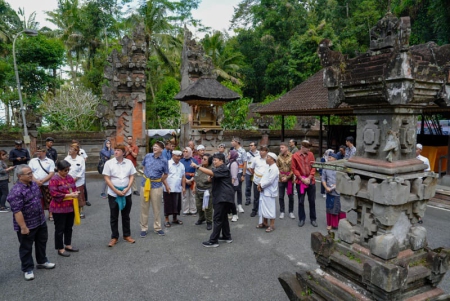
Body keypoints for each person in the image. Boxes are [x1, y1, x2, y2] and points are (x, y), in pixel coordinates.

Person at [7, 164, 55, 280]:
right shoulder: (16, 191)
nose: (31, 175)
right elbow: (17, 211)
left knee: (41, 242)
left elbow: (39, 200)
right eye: (28, 174)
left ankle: (42, 261)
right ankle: (28, 268)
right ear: (19, 176)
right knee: (26, 247)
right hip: (27, 224)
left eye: (31, 173)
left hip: (40, 221)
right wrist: (23, 227)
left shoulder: (33, 184)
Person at [191, 153, 234, 248]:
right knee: (223, 217)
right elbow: (213, 176)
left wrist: (197, 167)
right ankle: (227, 236)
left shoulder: (223, 168)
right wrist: (211, 178)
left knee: (217, 218)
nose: (214, 162)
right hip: (222, 196)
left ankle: (213, 240)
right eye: (213, 160)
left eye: (216, 160)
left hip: (223, 197)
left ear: (222, 161)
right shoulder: (219, 169)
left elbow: (212, 173)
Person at [102, 144, 137, 247]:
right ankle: (114, 237)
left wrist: (128, 187)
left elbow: (131, 176)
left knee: (126, 215)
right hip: (113, 193)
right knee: (114, 216)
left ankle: (127, 235)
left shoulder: (129, 162)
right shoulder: (109, 163)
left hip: (127, 192)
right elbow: (107, 178)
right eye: (115, 150)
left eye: (118, 150)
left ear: (123, 153)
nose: (116, 152)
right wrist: (115, 190)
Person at [48, 160, 80, 258]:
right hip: (59, 208)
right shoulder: (54, 179)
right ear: (59, 170)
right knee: (59, 229)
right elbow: (54, 193)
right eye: (65, 170)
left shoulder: (69, 177)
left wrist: (75, 193)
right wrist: (68, 194)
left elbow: (74, 187)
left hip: (70, 206)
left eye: (68, 170)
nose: (67, 172)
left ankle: (68, 245)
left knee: (69, 227)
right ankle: (60, 248)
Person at [139, 141, 169, 237]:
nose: (154, 147)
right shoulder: (148, 156)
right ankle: (144, 227)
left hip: (157, 186)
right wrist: (147, 177)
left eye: (157, 146)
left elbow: (166, 174)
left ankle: (157, 227)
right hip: (145, 184)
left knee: (157, 208)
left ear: (161, 149)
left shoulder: (164, 160)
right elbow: (143, 167)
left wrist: (159, 180)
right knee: (144, 207)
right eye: (154, 146)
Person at [292, 140, 317, 227]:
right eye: (307, 148)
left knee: (312, 201)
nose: (309, 150)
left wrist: (310, 177)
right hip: (300, 181)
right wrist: (302, 179)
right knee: (301, 201)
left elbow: (314, 166)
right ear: (302, 147)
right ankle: (301, 218)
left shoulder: (311, 154)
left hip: (311, 181)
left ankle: (313, 219)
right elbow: (294, 169)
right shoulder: (295, 156)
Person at [29, 146, 55, 221]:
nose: (38, 153)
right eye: (37, 151)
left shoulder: (50, 161)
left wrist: (42, 181)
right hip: (35, 183)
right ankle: (41, 215)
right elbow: (30, 172)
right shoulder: (33, 161)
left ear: (44, 152)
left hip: (47, 183)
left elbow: (51, 173)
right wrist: (36, 181)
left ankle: (51, 214)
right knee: (38, 200)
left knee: (49, 199)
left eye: (40, 151)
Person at [321, 153, 346, 230]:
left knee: (339, 207)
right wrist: (326, 187)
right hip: (329, 190)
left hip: (338, 190)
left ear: (335, 159)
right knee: (329, 207)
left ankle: (340, 224)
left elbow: (342, 179)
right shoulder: (325, 167)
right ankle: (330, 224)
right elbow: (323, 179)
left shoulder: (340, 167)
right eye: (328, 157)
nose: (328, 159)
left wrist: (334, 186)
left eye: (330, 157)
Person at [257, 152, 279, 232]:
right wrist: (260, 184)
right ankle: (265, 222)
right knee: (263, 207)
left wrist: (261, 185)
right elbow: (264, 177)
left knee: (270, 208)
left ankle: (272, 225)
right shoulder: (268, 167)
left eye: (268, 157)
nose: (266, 158)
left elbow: (270, 181)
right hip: (264, 190)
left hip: (270, 191)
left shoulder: (274, 168)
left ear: (272, 160)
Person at [163, 150, 186, 228]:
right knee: (168, 204)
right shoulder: (167, 163)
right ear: (173, 155)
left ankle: (175, 218)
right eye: (177, 156)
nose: (178, 158)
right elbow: (163, 176)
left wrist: (184, 187)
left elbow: (183, 177)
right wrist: (166, 185)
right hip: (168, 187)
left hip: (177, 188)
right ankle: (166, 220)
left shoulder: (181, 165)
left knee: (177, 204)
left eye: (180, 156)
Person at [64, 143, 87, 218]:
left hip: (79, 181)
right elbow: (64, 169)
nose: (69, 151)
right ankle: (72, 211)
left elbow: (82, 169)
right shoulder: (66, 159)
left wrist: (76, 178)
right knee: (71, 196)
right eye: (69, 149)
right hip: (69, 182)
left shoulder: (80, 159)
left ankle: (81, 212)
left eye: (71, 149)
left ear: (76, 151)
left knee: (80, 196)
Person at [193, 153, 213, 230]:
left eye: (205, 159)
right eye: (202, 158)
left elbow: (211, 178)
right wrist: (194, 187)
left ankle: (209, 222)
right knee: (198, 206)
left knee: (208, 207)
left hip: (207, 191)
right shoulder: (199, 167)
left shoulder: (211, 169)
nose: (202, 160)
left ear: (209, 161)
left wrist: (210, 180)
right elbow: (196, 177)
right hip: (198, 189)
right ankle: (201, 218)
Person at [277, 142, 295, 219]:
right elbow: (276, 168)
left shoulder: (292, 156)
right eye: (280, 148)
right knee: (281, 196)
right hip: (281, 178)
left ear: (287, 148)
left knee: (290, 196)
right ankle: (282, 211)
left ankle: (291, 211)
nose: (281, 149)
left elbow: (293, 169)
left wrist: (287, 177)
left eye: (282, 147)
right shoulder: (278, 157)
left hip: (289, 179)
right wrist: (281, 176)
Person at [250, 145, 269, 217]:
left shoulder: (269, 159)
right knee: (256, 197)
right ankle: (254, 210)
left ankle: (265, 210)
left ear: (267, 152)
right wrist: (256, 174)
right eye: (260, 150)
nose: (261, 152)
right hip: (257, 180)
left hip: (266, 181)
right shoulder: (256, 159)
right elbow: (252, 168)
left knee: (265, 196)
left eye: (263, 151)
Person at [71, 140, 90, 206]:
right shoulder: (69, 154)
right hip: (72, 177)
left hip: (80, 175)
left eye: (76, 144)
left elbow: (85, 157)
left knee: (83, 188)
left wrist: (82, 162)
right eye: (73, 144)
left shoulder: (82, 151)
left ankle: (86, 200)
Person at [231, 137, 247, 213]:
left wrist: (243, 175)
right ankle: (232, 204)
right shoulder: (232, 150)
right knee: (232, 189)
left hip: (239, 171)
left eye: (233, 141)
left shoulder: (242, 151)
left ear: (237, 142)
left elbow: (245, 163)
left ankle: (239, 204)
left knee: (239, 189)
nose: (231, 142)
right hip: (232, 172)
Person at [416, 143, 431, 224]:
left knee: (419, 199)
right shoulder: (409, 159)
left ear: (420, 150)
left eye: (416, 149)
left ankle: (419, 217)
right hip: (409, 180)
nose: (414, 150)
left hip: (419, 181)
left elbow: (427, 170)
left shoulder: (424, 159)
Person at [180, 147, 197, 216]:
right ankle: (186, 210)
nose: (185, 152)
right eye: (184, 151)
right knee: (185, 195)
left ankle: (193, 210)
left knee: (193, 196)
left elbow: (197, 171)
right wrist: (185, 180)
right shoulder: (181, 161)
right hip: (184, 180)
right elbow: (180, 172)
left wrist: (192, 179)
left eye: (186, 151)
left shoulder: (194, 161)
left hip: (192, 180)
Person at [227, 150, 240, 222]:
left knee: (231, 200)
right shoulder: (229, 162)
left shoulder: (234, 163)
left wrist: (230, 186)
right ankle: (230, 212)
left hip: (233, 184)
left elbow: (234, 177)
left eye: (229, 154)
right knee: (228, 200)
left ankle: (235, 214)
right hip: (229, 184)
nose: (228, 155)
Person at [245, 142, 259, 206]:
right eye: (249, 145)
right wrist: (249, 169)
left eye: (251, 145)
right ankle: (248, 199)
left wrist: (254, 170)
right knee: (248, 186)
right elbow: (245, 162)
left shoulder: (259, 153)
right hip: (248, 172)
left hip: (256, 172)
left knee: (256, 186)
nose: (250, 146)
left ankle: (256, 199)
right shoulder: (247, 153)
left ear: (255, 146)